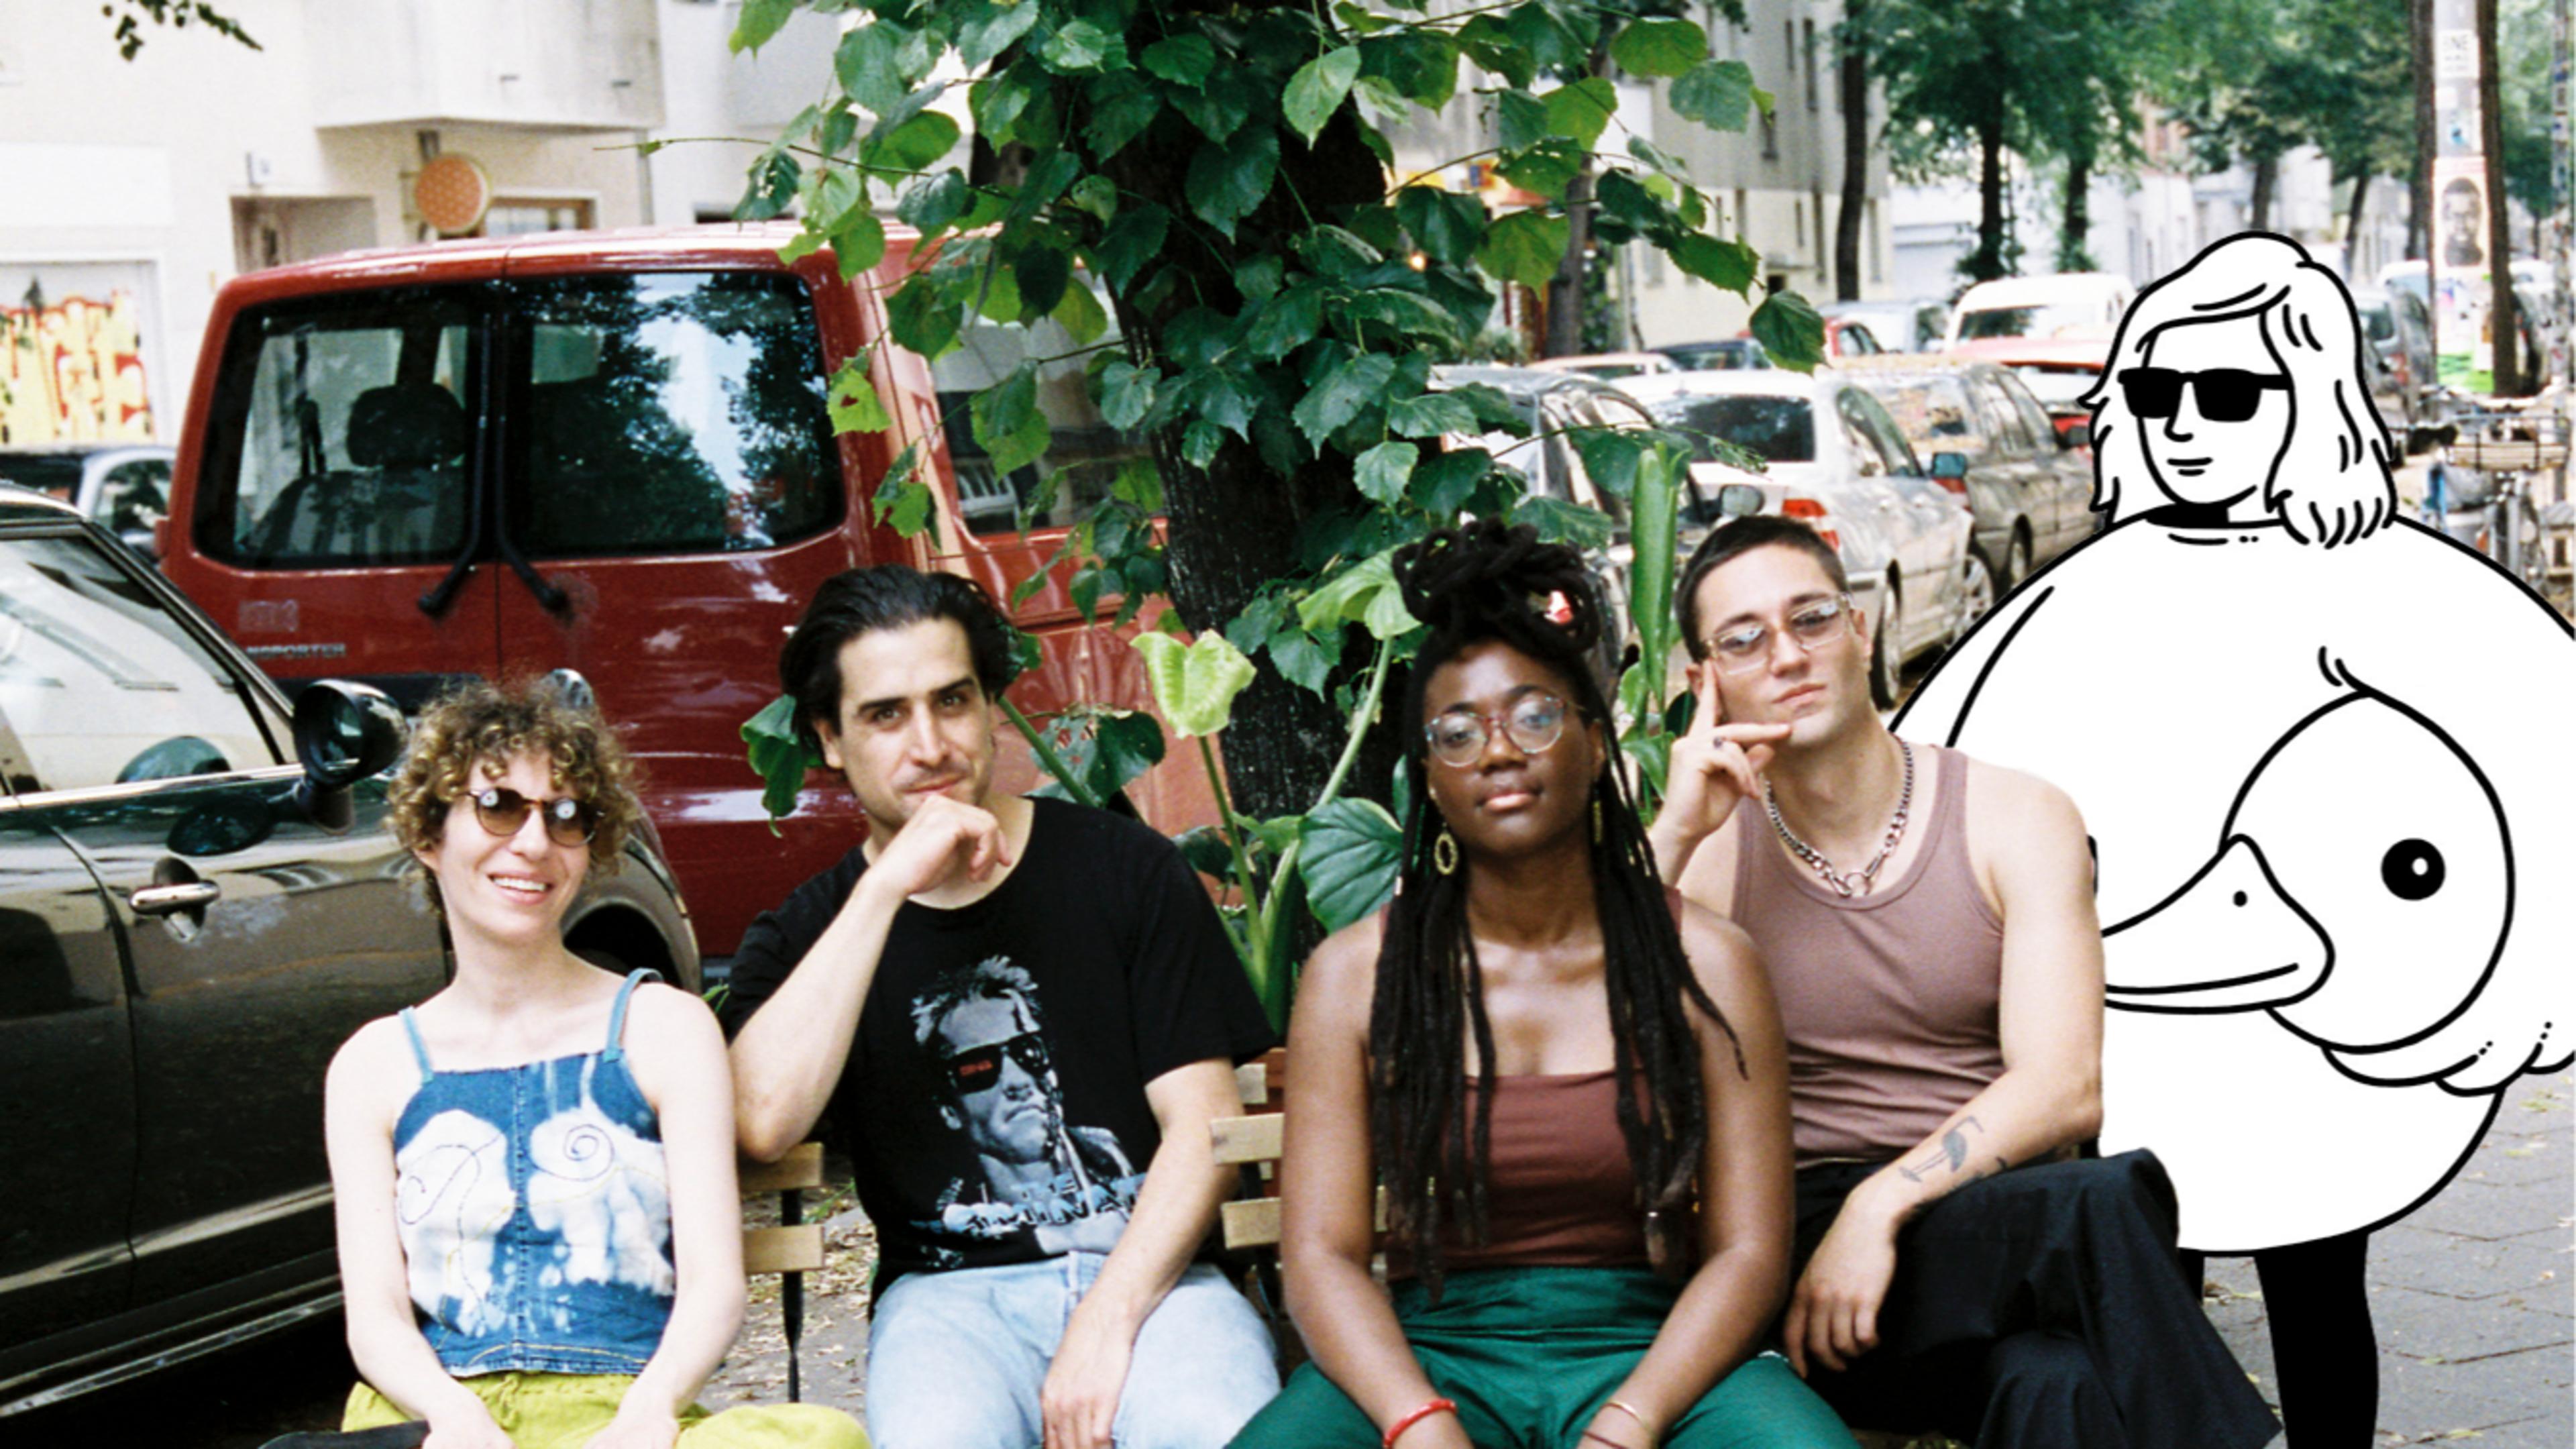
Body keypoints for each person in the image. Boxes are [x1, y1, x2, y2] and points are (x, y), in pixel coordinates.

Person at [1894, 229, 2573, 1448]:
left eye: (2228, 393)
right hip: (2123, 1029)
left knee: (2317, 1291)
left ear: (2307, 398)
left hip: (2320, 1049)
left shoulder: (2374, 579)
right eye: (2159, 393)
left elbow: (2538, 733)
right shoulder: (2087, 592)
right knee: (2145, 1294)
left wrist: (2526, 981)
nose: (2188, 424)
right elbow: (1937, 759)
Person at [1650, 515, 2280, 1449]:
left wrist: (1885, 1204)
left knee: (2055, 1379)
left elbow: (2065, 1086)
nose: (1786, 654)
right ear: (1705, 684)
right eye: (1744, 639)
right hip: (1809, 1263)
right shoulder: (1702, 859)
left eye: (1811, 619)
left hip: (1985, 1236)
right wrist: (1672, 831)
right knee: (2103, 1205)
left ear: (1862, 630)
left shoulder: (2013, 815)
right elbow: (1589, 1025)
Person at [1231, 521, 1853, 1449]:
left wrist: (1630, 1423)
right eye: (1456, 732)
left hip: (1654, 1350)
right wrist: (1415, 1423)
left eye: (1535, 716)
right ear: (1431, 783)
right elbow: (1321, 1257)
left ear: (1596, 742)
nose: (1498, 749)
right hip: (1430, 1348)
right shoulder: (1356, 974)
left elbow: (1749, 1251)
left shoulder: (1708, 963)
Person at [721, 566, 1279, 1449]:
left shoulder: (1124, 870)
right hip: (948, 1305)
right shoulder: (809, 933)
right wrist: (887, 889)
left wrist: (1107, 1319)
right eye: (885, 715)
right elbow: (760, 1122)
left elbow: (1202, 1128)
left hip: (1158, 1280)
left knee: (1215, 1431)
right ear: (829, 739)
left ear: (989, 708)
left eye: (953, 701)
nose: (930, 744)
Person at [322, 679, 864, 1449]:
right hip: (439, 1417)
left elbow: (713, 1286)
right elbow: (376, 1319)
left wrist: (646, 1417)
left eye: (567, 815)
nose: (535, 843)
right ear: (429, 835)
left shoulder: (662, 1028)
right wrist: (456, 1419)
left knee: (823, 1442)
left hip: (629, 1407)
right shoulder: (374, 1065)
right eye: (499, 806)